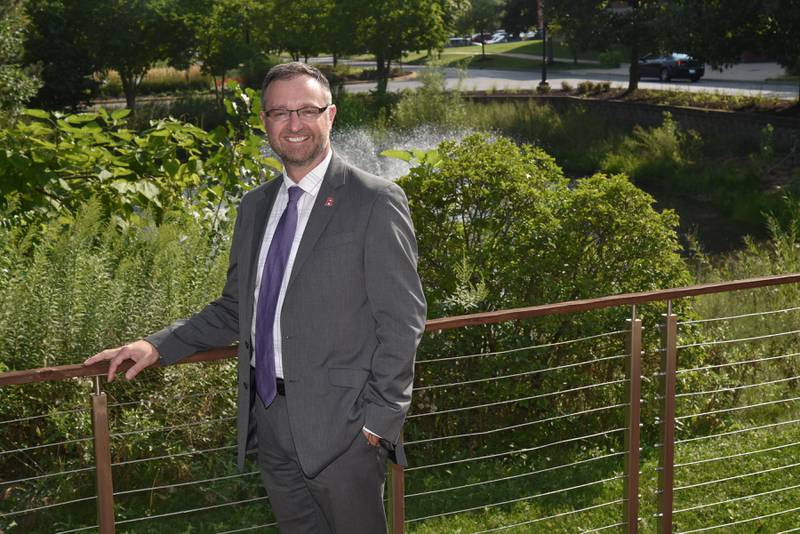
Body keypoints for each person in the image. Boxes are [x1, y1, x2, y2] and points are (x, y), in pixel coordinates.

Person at [84, 61, 427, 533]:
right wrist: (156, 345)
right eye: (279, 112)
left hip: (344, 427)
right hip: (269, 421)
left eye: (306, 110)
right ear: (264, 122)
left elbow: (402, 319)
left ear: (330, 116)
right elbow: (235, 307)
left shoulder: (374, 200)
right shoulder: (255, 207)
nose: (294, 124)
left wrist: (379, 421)